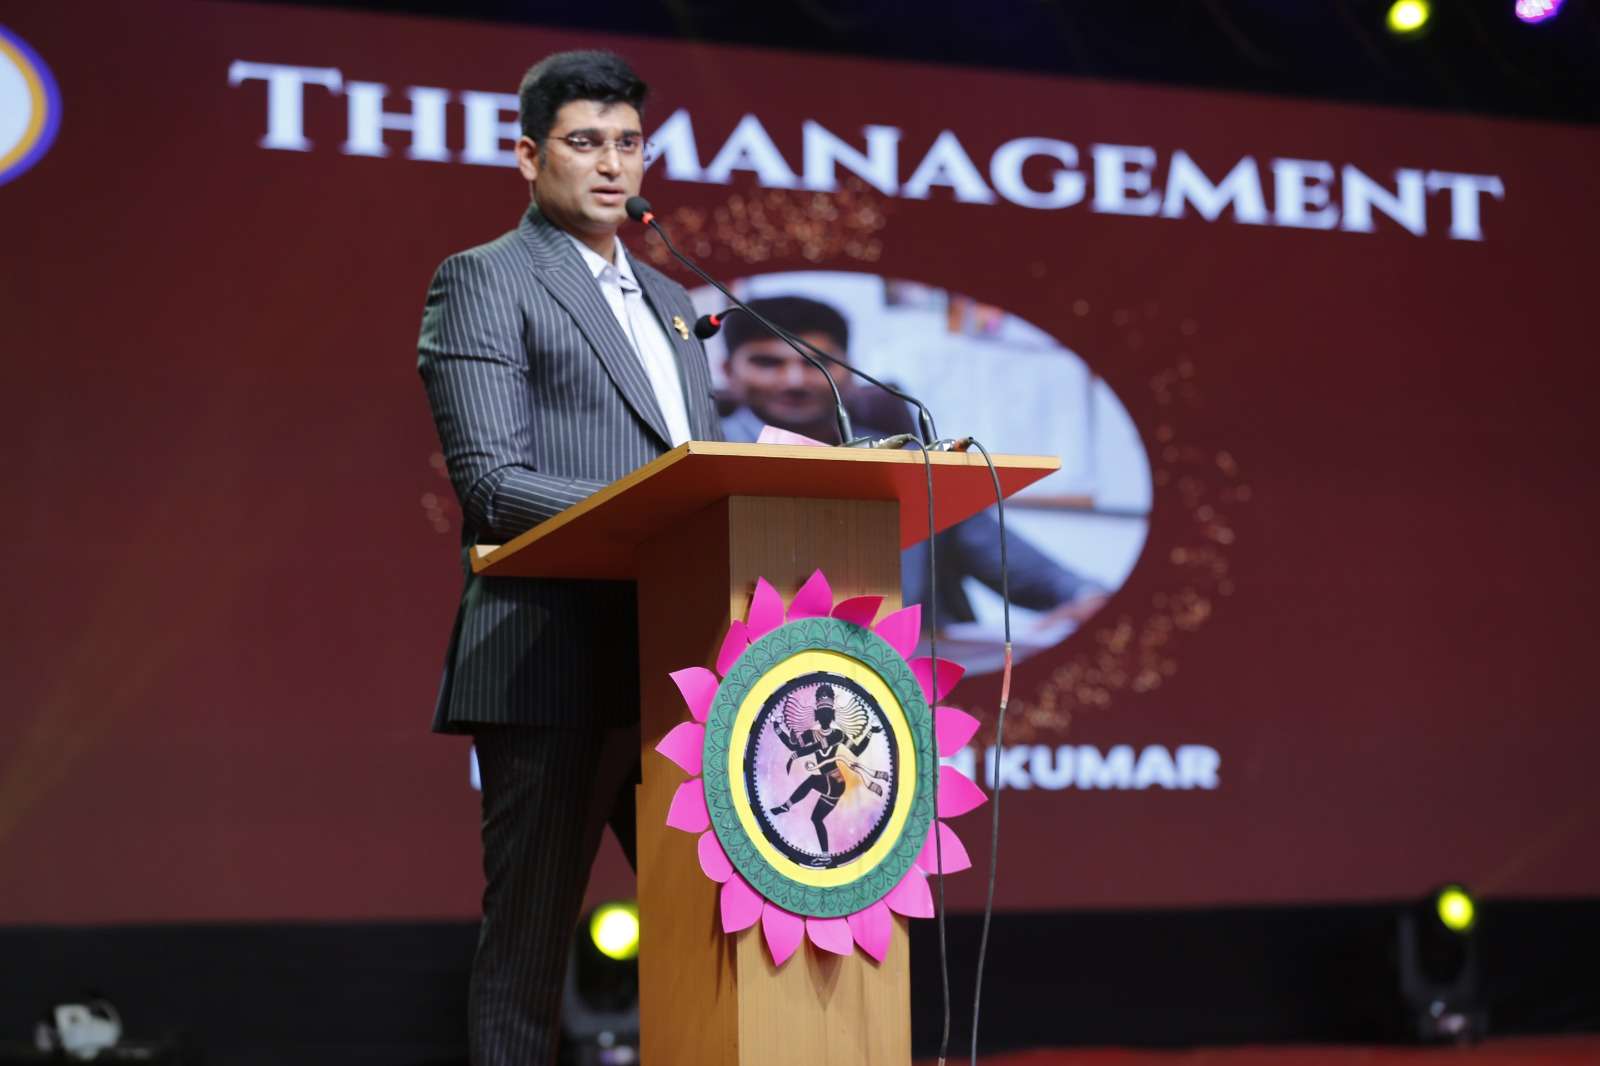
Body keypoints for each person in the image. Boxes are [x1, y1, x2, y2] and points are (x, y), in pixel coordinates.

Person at [415, 51, 722, 1066]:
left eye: (628, 143)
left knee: (724, 929)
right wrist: (674, 510)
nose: (611, 164)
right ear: (528, 156)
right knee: (528, 949)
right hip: (550, 654)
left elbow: (700, 468)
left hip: (682, 665)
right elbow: (494, 484)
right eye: (585, 142)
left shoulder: (675, 301)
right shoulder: (486, 277)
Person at [718, 295, 1107, 640]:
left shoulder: (907, 459)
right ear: (727, 371)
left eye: (818, 363)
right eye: (768, 362)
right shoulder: (707, 455)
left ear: (849, 371)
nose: (794, 380)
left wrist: (1086, 597)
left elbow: (1037, 576)